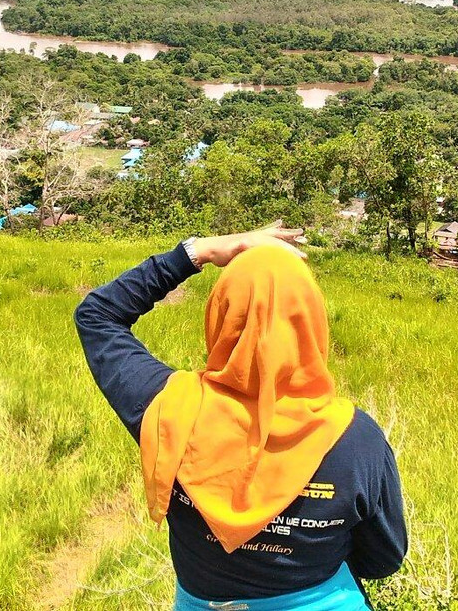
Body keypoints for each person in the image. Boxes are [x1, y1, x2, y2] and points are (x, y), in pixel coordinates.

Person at [75, 224, 407, 611]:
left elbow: (97, 315)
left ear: (222, 314)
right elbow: (383, 559)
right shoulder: (354, 438)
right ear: (312, 320)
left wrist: (198, 251)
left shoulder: (169, 409)